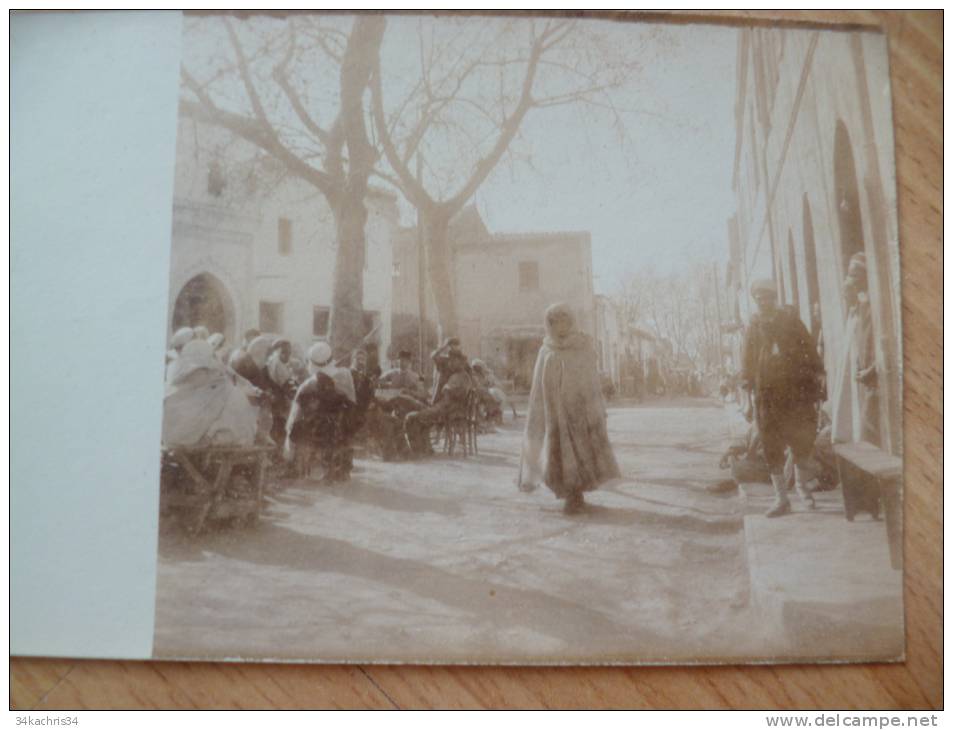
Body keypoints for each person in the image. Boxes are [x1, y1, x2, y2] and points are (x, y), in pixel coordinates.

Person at [519, 303, 621, 515]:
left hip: (580, 413)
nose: (561, 327)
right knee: (558, 456)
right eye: (555, 322)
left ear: (571, 322)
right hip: (555, 415)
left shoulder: (583, 348)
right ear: (550, 325)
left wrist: (595, 407)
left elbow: (592, 381)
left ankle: (578, 495)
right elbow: (538, 388)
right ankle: (569, 495)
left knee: (582, 453)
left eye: (564, 321)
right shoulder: (546, 350)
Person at [741, 278, 824, 517]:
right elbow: (747, 361)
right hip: (766, 395)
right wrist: (747, 396)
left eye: (767, 297)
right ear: (755, 301)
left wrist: (818, 375)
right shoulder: (754, 325)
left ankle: (802, 488)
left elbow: (809, 348)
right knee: (771, 444)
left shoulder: (790, 321)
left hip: (795, 393)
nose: (763, 302)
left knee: (801, 440)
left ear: (774, 298)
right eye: (758, 299)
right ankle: (781, 499)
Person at [162, 339, 259, 448]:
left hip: (174, 439)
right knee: (235, 397)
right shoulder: (215, 381)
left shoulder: (173, 384)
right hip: (206, 438)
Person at [284, 342, 357, 482]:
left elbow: (296, 414)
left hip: (321, 429)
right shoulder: (345, 375)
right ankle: (340, 468)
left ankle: (296, 465)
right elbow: (352, 402)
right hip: (342, 426)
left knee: (297, 426)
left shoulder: (309, 385)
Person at [831, 252, 879, 447]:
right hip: (865, 378)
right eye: (849, 275)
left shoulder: (875, 305)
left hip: (875, 378)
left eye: (854, 275)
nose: (850, 280)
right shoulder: (859, 307)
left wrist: (873, 368)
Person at [404, 350, 473, 455]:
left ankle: (418, 451)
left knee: (411, 417)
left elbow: (448, 395)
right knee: (418, 411)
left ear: (460, 362)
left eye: (453, 361)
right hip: (446, 408)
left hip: (446, 411)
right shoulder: (461, 376)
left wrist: (432, 402)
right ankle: (426, 449)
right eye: (450, 361)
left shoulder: (460, 377)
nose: (451, 363)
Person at [430, 337, 466, 403]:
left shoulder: (463, 361)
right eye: (452, 345)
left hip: (457, 391)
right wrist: (443, 347)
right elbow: (433, 356)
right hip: (442, 390)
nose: (454, 347)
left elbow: (469, 374)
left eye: (456, 345)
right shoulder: (445, 361)